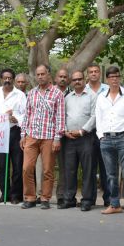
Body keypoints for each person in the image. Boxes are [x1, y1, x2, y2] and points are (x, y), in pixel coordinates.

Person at [20, 65, 65, 210]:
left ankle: (45, 198)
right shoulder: (32, 93)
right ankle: (30, 197)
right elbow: (27, 115)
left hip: (48, 137)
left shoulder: (57, 94)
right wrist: (23, 135)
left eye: (42, 74)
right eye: (38, 75)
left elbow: (60, 118)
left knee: (47, 170)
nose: (40, 77)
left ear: (48, 75)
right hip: (32, 135)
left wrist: (57, 138)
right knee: (27, 168)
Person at [96, 66, 124, 218]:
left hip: (123, 138)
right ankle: (114, 204)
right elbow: (98, 118)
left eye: (117, 76)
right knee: (110, 175)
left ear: (120, 78)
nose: (114, 79)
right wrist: (100, 136)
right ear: (107, 79)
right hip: (106, 139)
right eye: (111, 77)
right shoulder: (101, 97)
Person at [60, 70, 95, 211]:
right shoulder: (67, 97)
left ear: (84, 79)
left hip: (86, 137)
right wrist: (66, 131)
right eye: (74, 80)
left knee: (87, 170)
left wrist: (82, 131)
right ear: (71, 81)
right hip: (69, 139)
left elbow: (94, 116)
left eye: (79, 79)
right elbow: (63, 116)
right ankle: (69, 199)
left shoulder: (92, 96)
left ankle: (86, 200)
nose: (77, 81)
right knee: (69, 170)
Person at [0, 69, 26, 204]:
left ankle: (16, 195)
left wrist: (16, 117)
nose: (7, 80)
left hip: (15, 132)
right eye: (5, 78)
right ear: (1, 79)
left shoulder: (20, 95)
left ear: (13, 79)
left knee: (17, 165)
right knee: (2, 166)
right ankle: (4, 193)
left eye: (10, 78)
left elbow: (25, 114)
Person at [86, 64, 110, 207]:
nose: (93, 73)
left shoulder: (108, 89)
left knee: (106, 167)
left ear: (100, 73)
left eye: (96, 71)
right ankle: (90, 199)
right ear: (87, 74)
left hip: (105, 132)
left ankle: (108, 199)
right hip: (88, 133)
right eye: (91, 72)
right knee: (90, 167)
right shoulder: (83, 89)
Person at [53, 68, 70, 206]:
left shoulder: (72, 93)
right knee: (46, 166)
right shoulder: (49, 92)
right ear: (55, 78)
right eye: (60, 76)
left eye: (65, 76)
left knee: (64, 166)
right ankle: (42, 194)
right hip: (48, 134)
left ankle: (61, 195)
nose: (62, 79)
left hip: (67, 135)